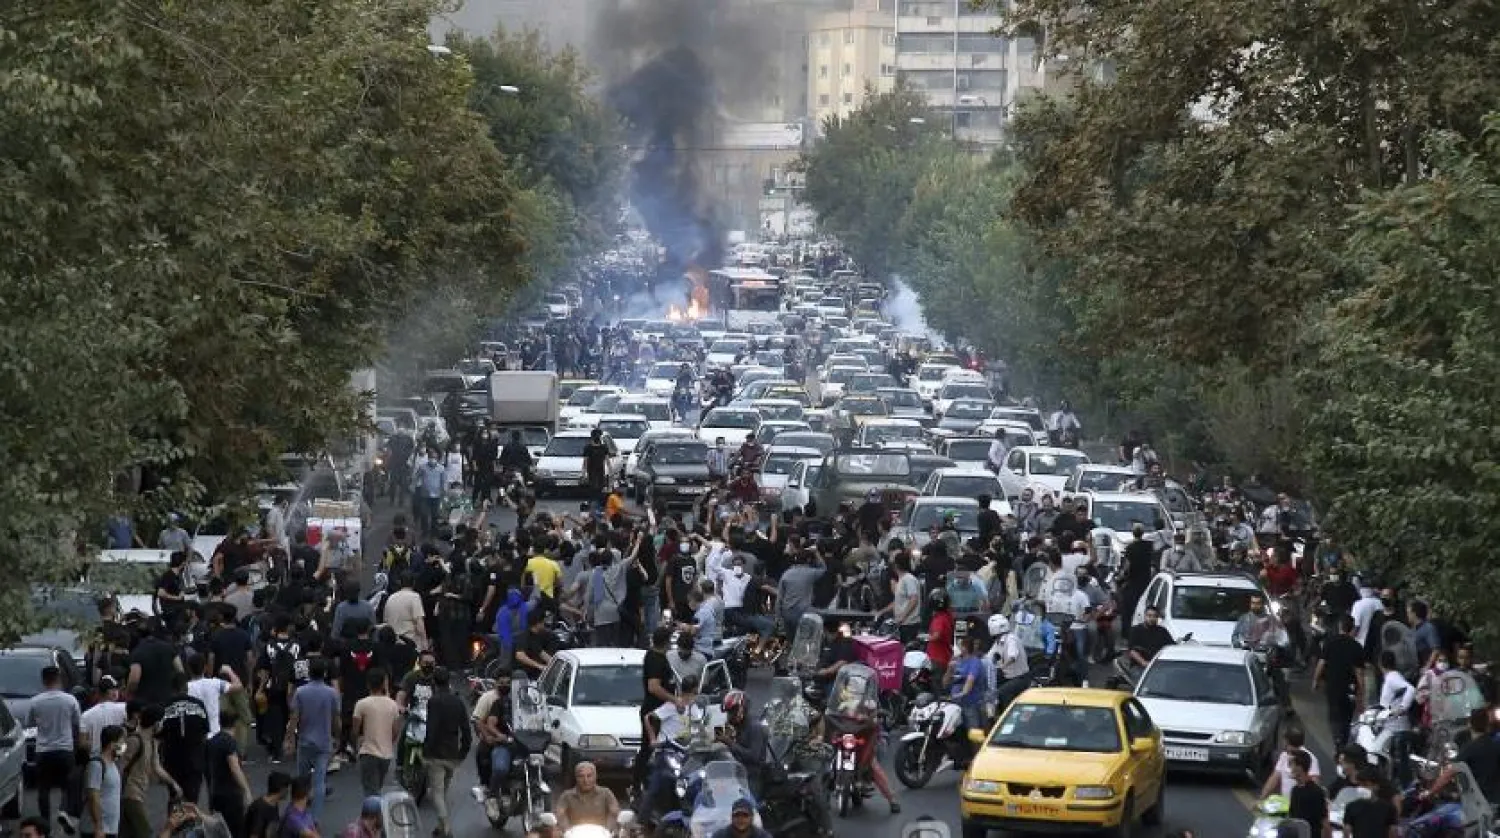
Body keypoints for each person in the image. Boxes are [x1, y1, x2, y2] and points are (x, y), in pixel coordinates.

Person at [27, 665, 82, 834]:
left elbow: (30, 723)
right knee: (69, 785)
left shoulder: (35, 701)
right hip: (65, 749)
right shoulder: (70, 700)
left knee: (43, 788)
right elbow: (77, 722)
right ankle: (64, 811)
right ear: (59, 679)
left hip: (43, 750)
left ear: (44, 681)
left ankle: (45, 826)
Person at [286, 658, 340, 825]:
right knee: (319, 781)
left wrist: (289, 738)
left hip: (304, 741)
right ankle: (315, 819)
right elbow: (336, 719)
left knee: (302, 778)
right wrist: (337, 737)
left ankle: (298, 813)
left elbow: (294, 717)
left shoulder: (301, 692)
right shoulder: (332, 693)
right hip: (323, 742)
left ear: (309, 673)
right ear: (325, 673)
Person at [423, 667, 472, 838]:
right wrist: (463, 752)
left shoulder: (434, 701)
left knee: (436, 793)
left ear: (434, 682)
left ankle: (446, 828)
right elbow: (466, 730)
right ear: (449, 681)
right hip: (452, 753)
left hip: (436, 754)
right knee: (443, 792)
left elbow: (432, 729)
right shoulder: (458, 702)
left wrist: (426, 751)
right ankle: (440, 827)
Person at [120, 704, 180, 838]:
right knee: (145, 832)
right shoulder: (134, 740)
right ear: (156, 723)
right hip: (130, 794)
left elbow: (157, 767)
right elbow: (120, 765)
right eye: (162, 722)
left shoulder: (152, 742)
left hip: (140, 794)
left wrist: (173, 784)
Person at [1313, 614, 1367, 749]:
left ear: (1339, 626)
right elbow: (1359, 673)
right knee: (1347, 715)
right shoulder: (1357, 647)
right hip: (1350, 688)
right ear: (1352, 629)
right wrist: (1361, 695)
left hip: (1332, 685)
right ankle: (1343, 739)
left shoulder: (1329, 642)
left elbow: (1321, 663)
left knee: (1334, 713)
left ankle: (1338, 740)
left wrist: (1315, 680)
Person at [159, 674, 210, 804]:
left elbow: (159, 735)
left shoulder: (164, 706)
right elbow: (205, 732)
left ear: (172, 689)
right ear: (186, 687)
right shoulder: (198, 705)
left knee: (175, 798)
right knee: (192, 800)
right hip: (194, 759)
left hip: (172, 760)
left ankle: (175, 816)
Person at [351, 669, 400, 798]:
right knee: (377, 788)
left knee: (371, 792)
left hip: (368, 752)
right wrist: (388, 742)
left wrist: (357, 745)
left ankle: (374, 810)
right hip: (386, 755)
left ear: (368, 684)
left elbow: (355, 730)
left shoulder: (361, 704)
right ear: (384, 684)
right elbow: (396, 731)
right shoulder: (393, 705)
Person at [204, 709, 252, 838]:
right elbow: (235, 769)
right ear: (235, 724)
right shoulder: (230, 742)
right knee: (236, 830)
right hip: (231, 795)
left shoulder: (211, 741)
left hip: (215, 792)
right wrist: (246, 790)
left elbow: (206, 769)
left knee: (219, 831)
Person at [553, 762, 620, 832]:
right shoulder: (566, 796)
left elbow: (614, 812)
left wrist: (607, 830)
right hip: (575, 834)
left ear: (595, 776)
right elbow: (560, 814)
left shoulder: (606, 793)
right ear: (576, 777)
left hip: (600, 833)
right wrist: (568, 830)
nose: (585, 780)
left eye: (589, 776)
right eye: (581, 776)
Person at [84, 725, 124, 838]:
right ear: (112, 744)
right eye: (121, 742)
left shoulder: (113, 764)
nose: (123, 746)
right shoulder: (97, 765)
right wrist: (99, 827)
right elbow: (93, 796)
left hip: (110, 828)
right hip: (96, 830)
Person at [1260, 728, 1321, 799]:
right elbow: (1274, 778)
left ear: (1287, 742)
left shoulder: (1310, 759)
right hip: (1285, 802)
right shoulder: (1284, 755)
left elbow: (1315, 785)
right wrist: (1262, 797)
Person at [1341, 765, 1398, 838]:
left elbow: (1392, 831)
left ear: (1376, 786)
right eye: (1359, 785)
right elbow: (1346, 831)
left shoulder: (1389, 808)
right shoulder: (1351, 807)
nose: (1362, 788)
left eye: (1365, 785)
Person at [1284, 750, 1327, 833]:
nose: (1290, 769)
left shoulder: (1316, 792)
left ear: (1299, 767)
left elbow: (1324, 822)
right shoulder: (1295, 790)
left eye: (1291, 765)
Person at [244, 772, 291, 838]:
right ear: (282, 789)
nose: (288, 791)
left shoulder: (273, 803)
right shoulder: (260, 808)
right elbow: (254, 835)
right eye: (287, 787)